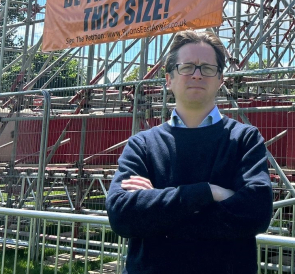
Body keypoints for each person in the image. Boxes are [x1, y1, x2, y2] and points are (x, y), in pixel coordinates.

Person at [106, 30, 273, 274]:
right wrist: (210, 191)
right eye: (187, 67)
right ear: (169, 78)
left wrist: (158, 211)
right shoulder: (141, 145)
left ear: (220, 79)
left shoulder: (244, 139)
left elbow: (256, 213)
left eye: (207, 68)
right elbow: (122, 216)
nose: (196, 74)